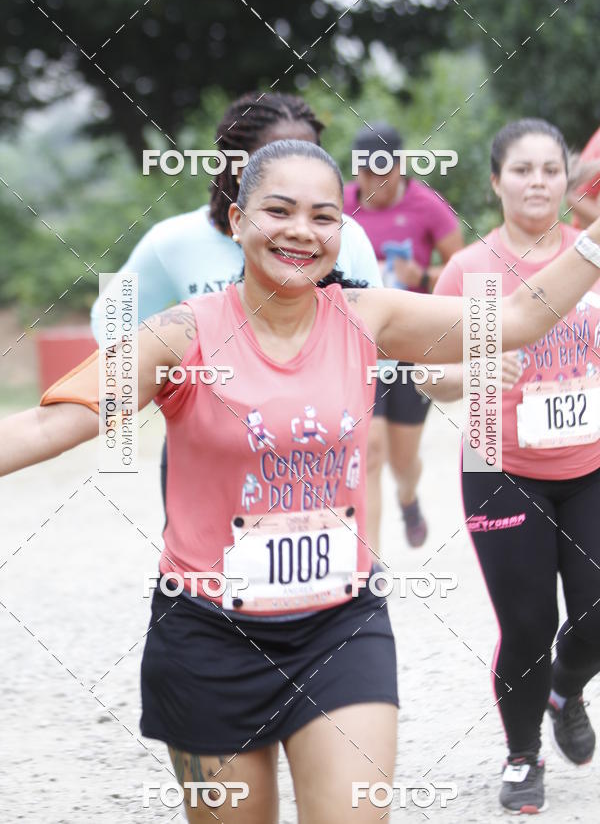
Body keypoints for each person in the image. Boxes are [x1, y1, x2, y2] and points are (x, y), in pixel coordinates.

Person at [3, 140, 600, 823]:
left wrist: (594, 238)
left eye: (322, 216)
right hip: (208, 636)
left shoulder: (368, 316)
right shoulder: (180, 336)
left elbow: (519, 319)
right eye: (278, 211)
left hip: (340, 630)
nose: (301, 231)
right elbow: (48, 427)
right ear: (236, 221)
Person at [90, 92, 382, 507]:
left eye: (306, 153)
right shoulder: (175, 241)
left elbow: (380, 345)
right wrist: (167, 380)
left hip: (317, 444)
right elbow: (111, 315)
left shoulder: (341, 238)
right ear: (233, 163)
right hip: (206, 450)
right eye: (272, 154)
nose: (292, 166)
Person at [430, 119, 600, 814]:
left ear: (569, 181)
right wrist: (470, 368)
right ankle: (522, 754)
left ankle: (566, 689)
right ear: (495, 181)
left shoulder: (591, 258)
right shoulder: (470, 270)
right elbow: (426, 376)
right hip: (498, 464)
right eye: (521, 170)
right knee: (526, 623)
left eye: (550, 170)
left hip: (591, 460)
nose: (537, 182)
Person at [343, 123, 463, 552]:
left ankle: (409, 498)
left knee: (402, 459)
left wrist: (422, 276)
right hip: (361, 345)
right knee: (369, 450)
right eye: (366, 172)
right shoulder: (338, 204)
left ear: (400, 167)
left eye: (384, 171)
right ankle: (370, 564)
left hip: (412, 345)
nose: (375, 181)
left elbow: (461, 269)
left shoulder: (426, 206)